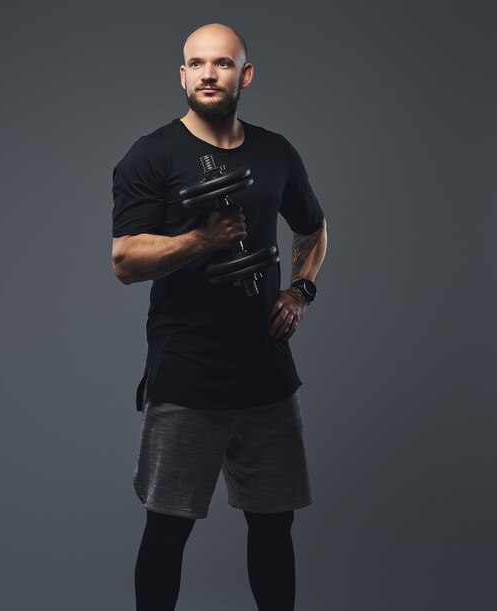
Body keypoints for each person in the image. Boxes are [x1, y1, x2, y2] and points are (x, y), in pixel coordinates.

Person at [111, 22, 327, 611]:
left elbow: (312, 225)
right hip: (187, 374)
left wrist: (302, 289)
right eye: (197, 64)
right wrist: (199, 242)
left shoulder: (276, 152)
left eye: (223, 64)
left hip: (266, 375)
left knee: (273, 525)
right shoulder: (152, 155)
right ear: (182, 75)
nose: (209, 74)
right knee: (167, 530)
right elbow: (126, 261)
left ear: (244, 75)